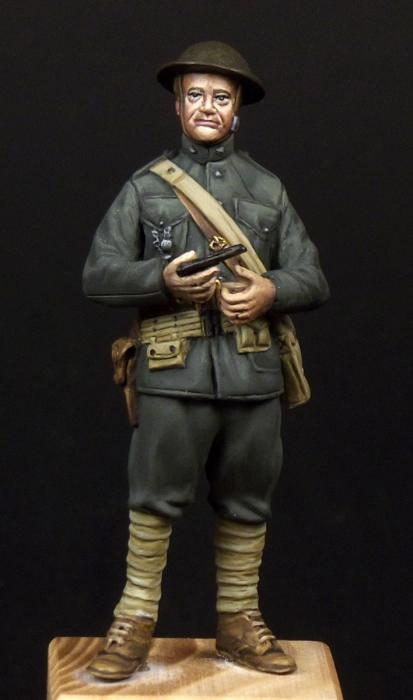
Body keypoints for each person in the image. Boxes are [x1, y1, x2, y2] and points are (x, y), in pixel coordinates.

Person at [83, 40, 329, 681]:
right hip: (172, 372)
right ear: (177, 105)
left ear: (238, 107)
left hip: (253, 372)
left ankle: (240, 622)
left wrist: (271, 290)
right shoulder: (146, 186)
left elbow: (312, 276)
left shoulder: (267, 189)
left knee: (248, 499)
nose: (207, 106)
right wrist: (161, 279)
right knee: (153, 500)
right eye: (195, 94)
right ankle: (134, 621)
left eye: (221, 96)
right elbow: (98, 274)